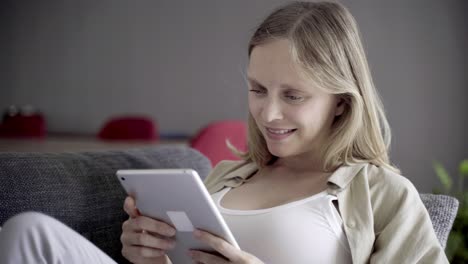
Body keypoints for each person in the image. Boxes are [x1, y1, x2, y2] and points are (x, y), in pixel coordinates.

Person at [0, 1, 449, 263]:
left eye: (293, 96)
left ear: (341, 102)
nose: (268, 114)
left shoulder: (384, 194)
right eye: (257, 89)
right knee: (28, 232)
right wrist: (147, 256)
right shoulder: (224, 177)